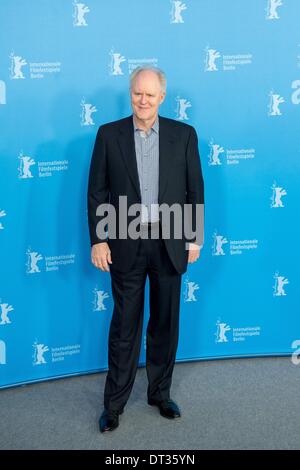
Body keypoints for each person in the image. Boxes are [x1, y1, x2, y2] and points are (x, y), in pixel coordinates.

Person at [87, 66, 204, 433]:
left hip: (170, 243)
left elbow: (194, 190)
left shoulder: (184, 135)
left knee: (165, 323)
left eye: (150, 95)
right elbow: (97, 192)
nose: (143, 100)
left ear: (162, 98)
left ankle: (160, 394)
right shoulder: (109, 135)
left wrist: (195, 237)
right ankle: (114, 404)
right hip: (124, 243)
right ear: (131, 92)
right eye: (138, 93)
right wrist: (99, 239)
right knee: (125, 325)